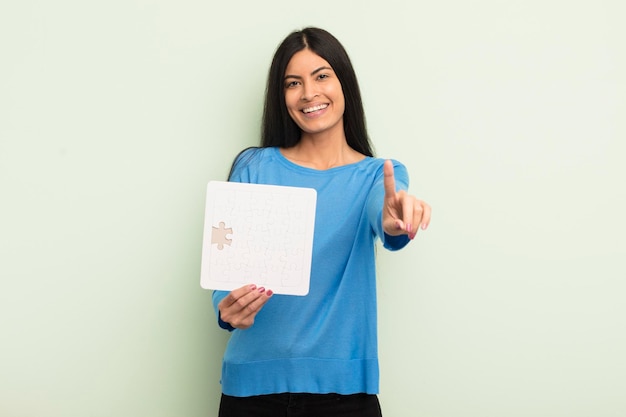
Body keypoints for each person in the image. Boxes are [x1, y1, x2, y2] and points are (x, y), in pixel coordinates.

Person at [212, 27, 431, 417]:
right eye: (293, 83)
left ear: (344, 82)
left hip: (344, 398)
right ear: (281, 97)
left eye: (322, 76)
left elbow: (387, 218)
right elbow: (224, 268)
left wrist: (396, 220)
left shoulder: (377, 177)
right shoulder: (254, 167)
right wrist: (225, 308)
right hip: (251, 391)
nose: (309, 93)